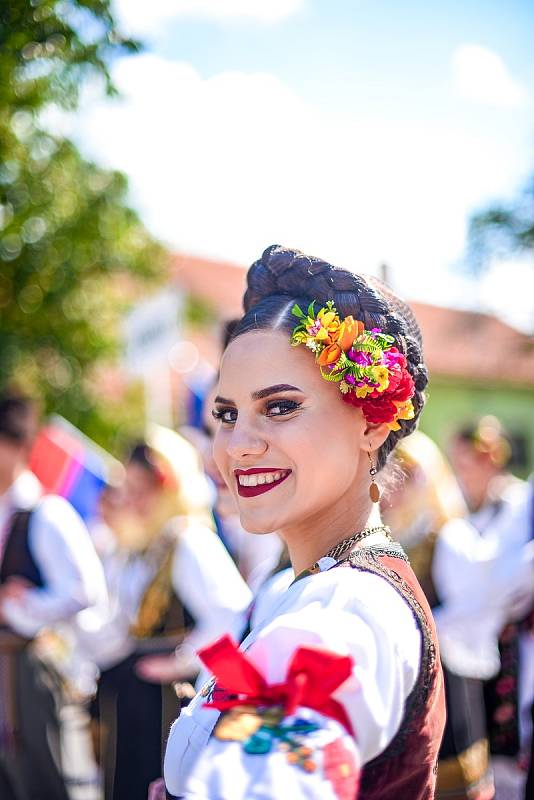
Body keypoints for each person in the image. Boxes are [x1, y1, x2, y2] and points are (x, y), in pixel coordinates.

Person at [164, 244, 446, 799]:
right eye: (226, 414)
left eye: (281, 406)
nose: (238, 446)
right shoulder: (293, 586)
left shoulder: (349, 608)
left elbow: (273, 772)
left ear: (370, 422)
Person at [83, 426, 252, 800]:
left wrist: (180, 660)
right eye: (131, 488)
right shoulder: (139, 545)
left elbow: (232, 612)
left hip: (169, 699)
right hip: (134, 697)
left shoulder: (188, 539)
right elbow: (121, 623)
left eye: (145, 488)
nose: (135, 499)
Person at [0, 392, 108, 800]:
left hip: (36, 670)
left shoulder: (48, 512)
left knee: (48, 779)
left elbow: (85, 592)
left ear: (14, 447)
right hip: (6, 671)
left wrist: (18, 605)